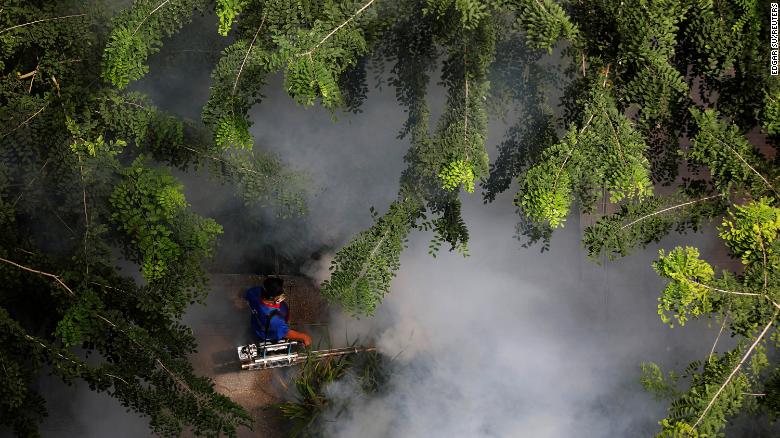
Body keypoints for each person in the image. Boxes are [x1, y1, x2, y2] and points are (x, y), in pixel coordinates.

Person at [244, 276, 312, 347]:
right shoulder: (274, 319)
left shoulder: (254, 293)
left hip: (257, 328)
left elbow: (246, 294)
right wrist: (304, 337)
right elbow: (286, 333)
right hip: (269, 337)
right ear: (274, 298)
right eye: (281, 292)